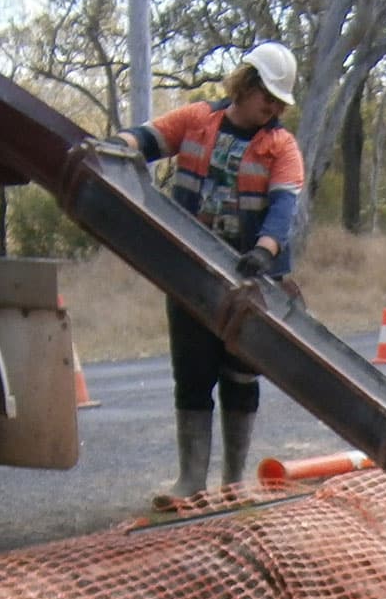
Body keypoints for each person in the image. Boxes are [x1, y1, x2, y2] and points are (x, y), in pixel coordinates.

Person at [115, 42, 305, 497]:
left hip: (252, 279)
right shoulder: (197, 120)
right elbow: (145, 139)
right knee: (193, 373)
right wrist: (113, 146)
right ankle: (191, 482)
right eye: (269, 97)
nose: (274, 108)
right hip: (191, 273)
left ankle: (233, 483)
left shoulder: (282, 146)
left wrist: (264, 251)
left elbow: (283, 209)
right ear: (246, 84)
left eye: (280, 102)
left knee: (241, 375)